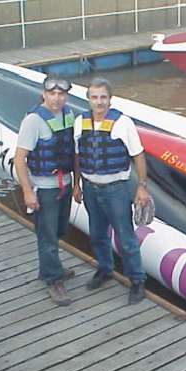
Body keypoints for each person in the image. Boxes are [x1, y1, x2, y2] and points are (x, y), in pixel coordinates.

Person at [73, 77, 148, 305]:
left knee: (126, 238)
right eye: (94, 97)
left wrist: (141, 187)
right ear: (88, 100)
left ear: (110, 99)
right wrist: (76, 184)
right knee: (96, 234)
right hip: (90, 187)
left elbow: (138, 156)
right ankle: (104, 269)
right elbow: (78, 155)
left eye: (103, 97)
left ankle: (137, 280)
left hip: (116, 189)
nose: (99, 102)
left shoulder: (123, 123)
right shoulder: (80, 121)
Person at [14, 75, 76, 306]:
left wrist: (76, 183)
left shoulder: (68, 114)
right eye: (52, 93)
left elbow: (73, 152)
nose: (57, 99)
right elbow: (20, 159)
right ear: (44, 94)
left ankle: (50, 267)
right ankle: (53, 279)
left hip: (65, 184)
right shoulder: (33, 120)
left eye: (61, 94)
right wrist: (28, 192)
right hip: (45, 188)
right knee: (47, 234)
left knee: (59, 230)